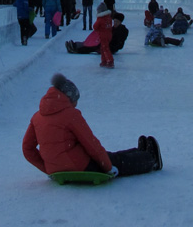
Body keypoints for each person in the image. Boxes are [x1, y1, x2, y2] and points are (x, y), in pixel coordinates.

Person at [22, 74, 161, 178]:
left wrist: (48, 168)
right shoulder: (71, 115)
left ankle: (139, 151)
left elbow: (27, 149)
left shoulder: (37, 116)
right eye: (75, 101)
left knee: (111, 156)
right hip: (79, 166)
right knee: (117, 161)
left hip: (55, 168)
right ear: (69, 98)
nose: (76, 105)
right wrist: (107, 168)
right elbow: (91, 144)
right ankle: (151, 159)